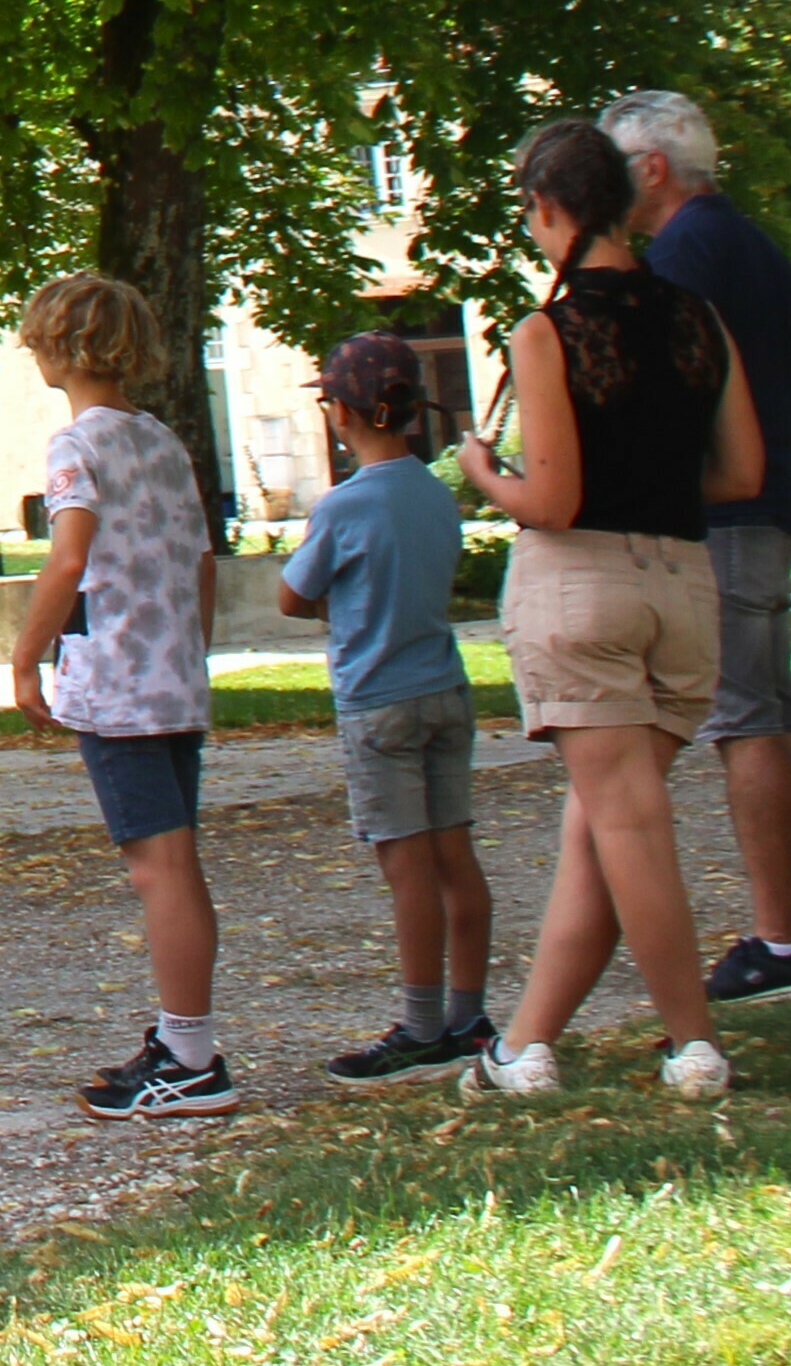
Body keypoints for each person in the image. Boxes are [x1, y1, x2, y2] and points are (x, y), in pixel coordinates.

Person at [455, 113, 769, 1101]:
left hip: (579, 585)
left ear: (548, 207)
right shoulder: (696, 319)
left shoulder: (547, 331)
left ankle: (691, 1043)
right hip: (681, 585)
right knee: (597, 826)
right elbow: (743, 470)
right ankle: (524, 1048)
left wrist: (480, 474)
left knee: (624, 823)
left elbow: (548, 498)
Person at [612, 88, 791, 1002]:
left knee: (743, 715)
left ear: (652, 168)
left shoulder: (678, 256)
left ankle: (777, 936)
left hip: (726, 510)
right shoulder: (753, 246)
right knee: (777, 710)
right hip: (771, 498)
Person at [7, 269, 235, 1119]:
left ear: (59, 346)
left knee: (158, 870)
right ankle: (186, 1041)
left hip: (116, 687)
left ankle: (189, 1056)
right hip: (173, 677)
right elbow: (202, 562)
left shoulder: (78, 446)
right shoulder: (163, 441)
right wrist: (190, 653)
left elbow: (69, 556)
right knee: (179, 864)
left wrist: (25, 656)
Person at [274, 332, 494, 1081]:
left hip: (376, 700)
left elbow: (291, 594)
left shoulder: (343, 504)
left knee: (407, 870)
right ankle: (469, 1013)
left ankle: (420, 1022)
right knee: (454, 856)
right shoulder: (435, 492)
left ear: (342, 411)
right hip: (443, 687)